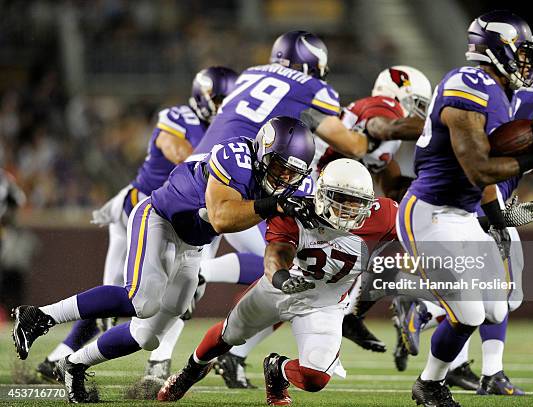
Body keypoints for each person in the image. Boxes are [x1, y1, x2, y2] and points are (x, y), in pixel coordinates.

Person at [11, 116, 317, 403]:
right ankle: (38, 316)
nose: (285, 178)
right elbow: (222, 218)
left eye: (293, 173)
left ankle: (74, 364)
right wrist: (276, 204)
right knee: (141, 300)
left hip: (193, 243)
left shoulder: (292, 185)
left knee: (148, 336)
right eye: (279, 167)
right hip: (159, 218)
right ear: (263, 152)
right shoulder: (235, 156)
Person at [34, 67, 239, 384]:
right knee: (119, 299)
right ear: (203, 97)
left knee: (184, 292)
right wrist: (223, 158)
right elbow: (179, 154)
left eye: (231, 100)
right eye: (221, 99)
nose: (226, 105)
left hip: (194, 219)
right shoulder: (180, 117)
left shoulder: (229, 129)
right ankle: (56, 354)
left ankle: (155, 361)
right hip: (145, 210)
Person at [397, 11, 533, 406]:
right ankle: (430, 384)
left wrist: (503, 217)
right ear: (496, 48)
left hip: (466, 216)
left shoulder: (497, 93)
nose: (525, 63)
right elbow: (479, 168)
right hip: (430, 213)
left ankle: (425, 312)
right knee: (467, 314)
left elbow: (488, 181)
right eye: (519, 53)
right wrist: (532, 160)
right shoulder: (468, 83)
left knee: (496, 310)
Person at [157, 159, 398, 405]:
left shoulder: (385, 215)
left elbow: (414, 227)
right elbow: (276, 254)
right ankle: (189, 372)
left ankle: (277, 369)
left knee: (316, 378)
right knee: (227, 335)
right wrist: (282, 279)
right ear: (322, 194)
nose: (348, 208)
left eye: (357, 202)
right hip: (277, 291)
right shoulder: (296, 210)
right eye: (340, 198)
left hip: (324, 305)